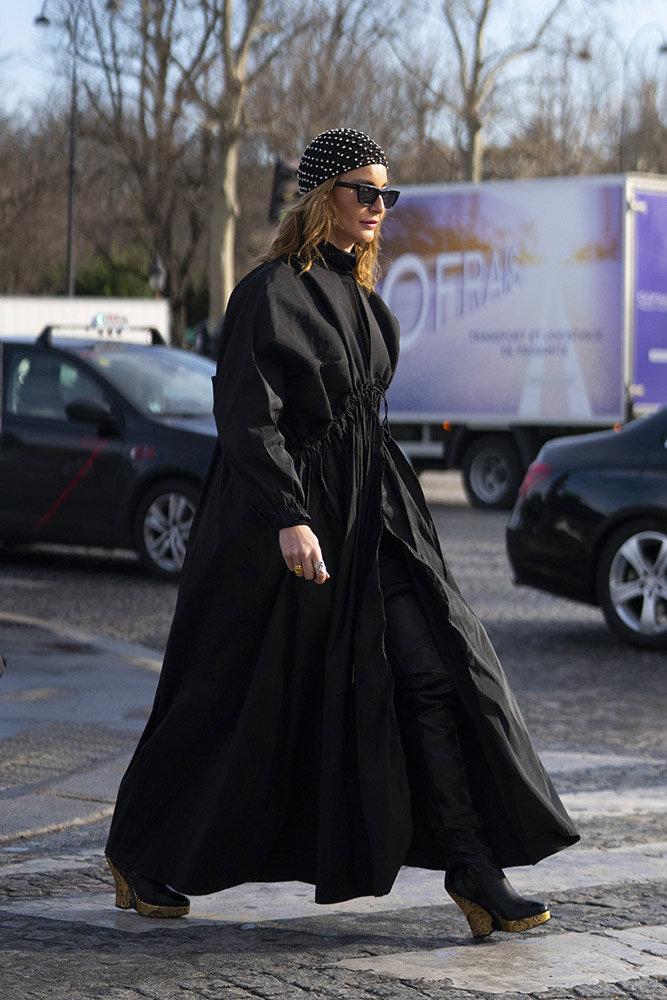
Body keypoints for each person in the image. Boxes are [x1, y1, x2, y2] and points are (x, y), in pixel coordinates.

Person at [105, 127, 578, 937]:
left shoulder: (361, 299)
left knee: (437, 671)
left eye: (387, 197)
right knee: (227, 695)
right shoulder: (268, 291)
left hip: (375, 515)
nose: (378, 210)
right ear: (322, 195)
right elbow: (247, 418)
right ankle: (141, 847)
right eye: (366, 193)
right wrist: (290, 514)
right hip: (279, 524)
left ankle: (472, 865)